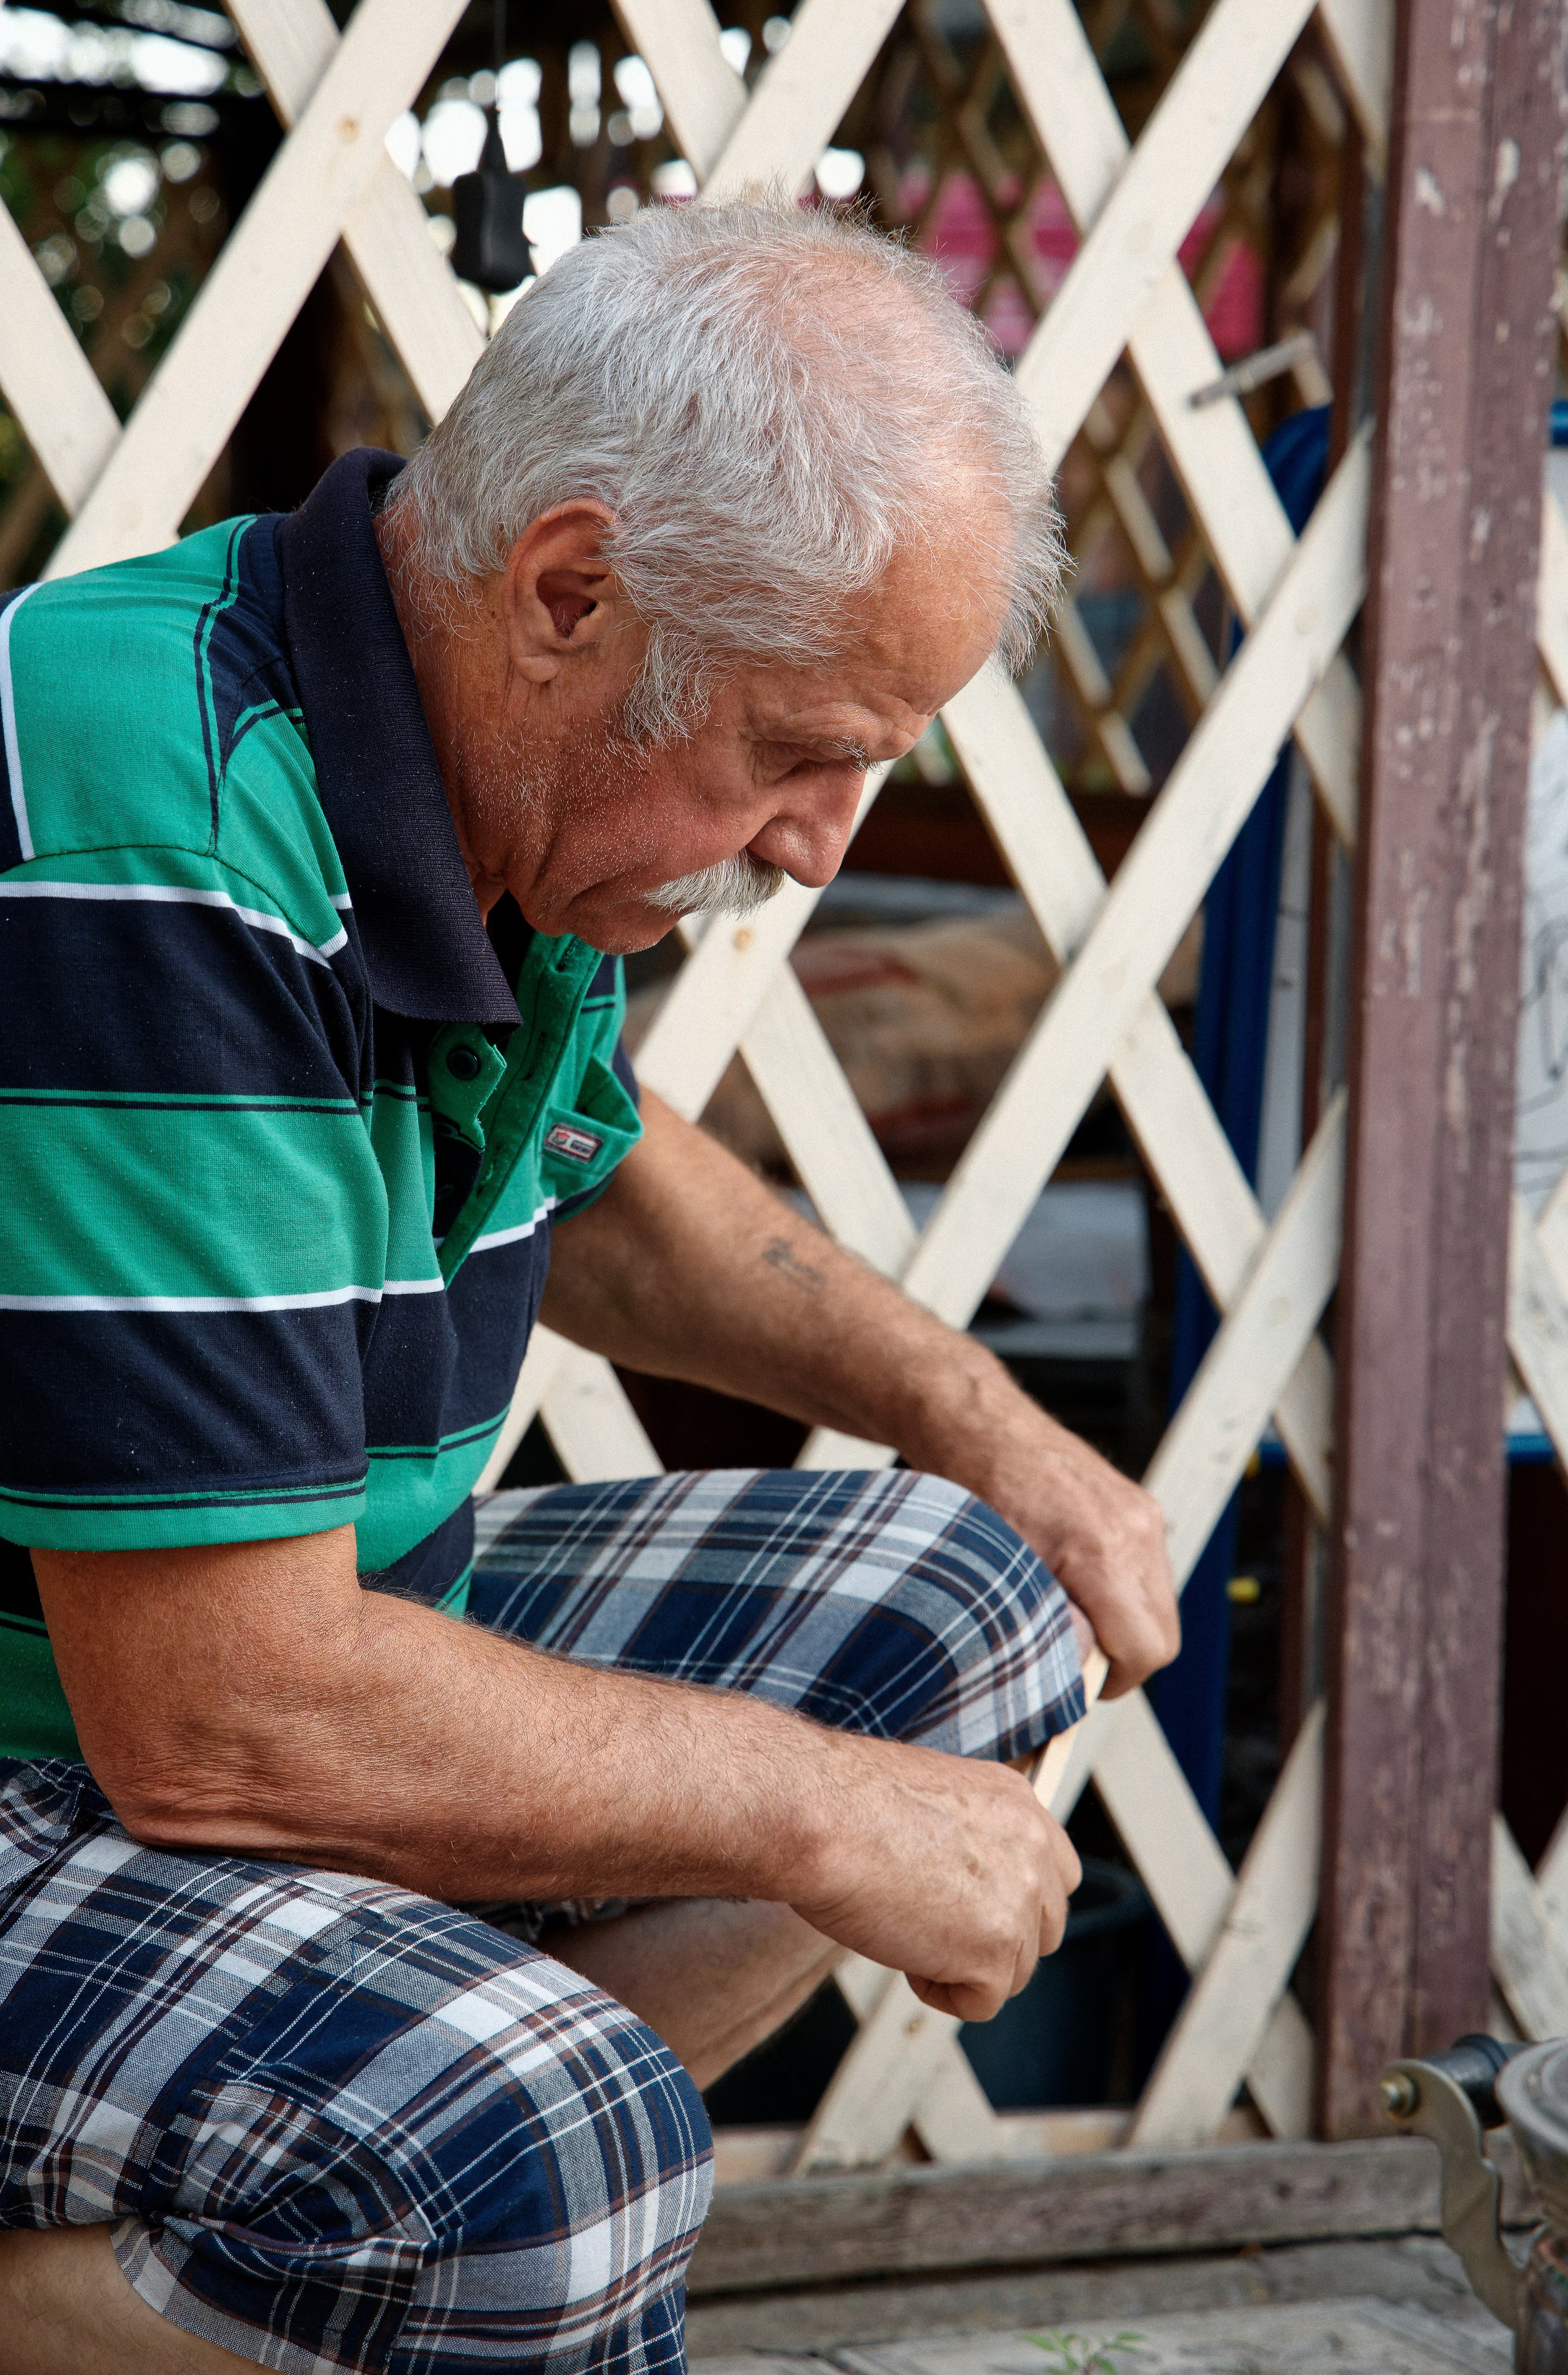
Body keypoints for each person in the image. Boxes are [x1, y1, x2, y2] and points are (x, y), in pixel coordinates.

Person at [0, 200, 1176, 2374]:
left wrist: (980, 1414)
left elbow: (594, 1177)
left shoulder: (475, 770)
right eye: (801, 745)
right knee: (552, 2146)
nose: (825, 842)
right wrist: (821, 1808)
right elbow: (223, 1718)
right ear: (566, 590)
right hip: (81, 1733)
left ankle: (415, 2259)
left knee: (970, 1618)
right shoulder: (148, 813)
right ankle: (437, 2229)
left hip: (253, 1662)